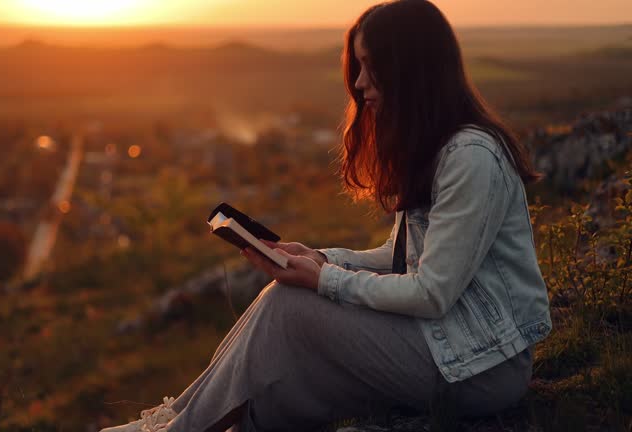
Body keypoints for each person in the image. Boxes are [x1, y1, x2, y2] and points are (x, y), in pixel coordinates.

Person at [99, 0, 551, 431]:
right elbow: (405, 262)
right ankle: (175, 419)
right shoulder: (439, 150)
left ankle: (175, 427)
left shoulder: (470, 157)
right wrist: (320, 257)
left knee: (289, 308)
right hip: (448, 346)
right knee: (283, 375)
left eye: (371, 66)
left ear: (411, 70)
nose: (359, 84)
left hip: (484, 367)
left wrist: (324, 280)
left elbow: (432, 293)